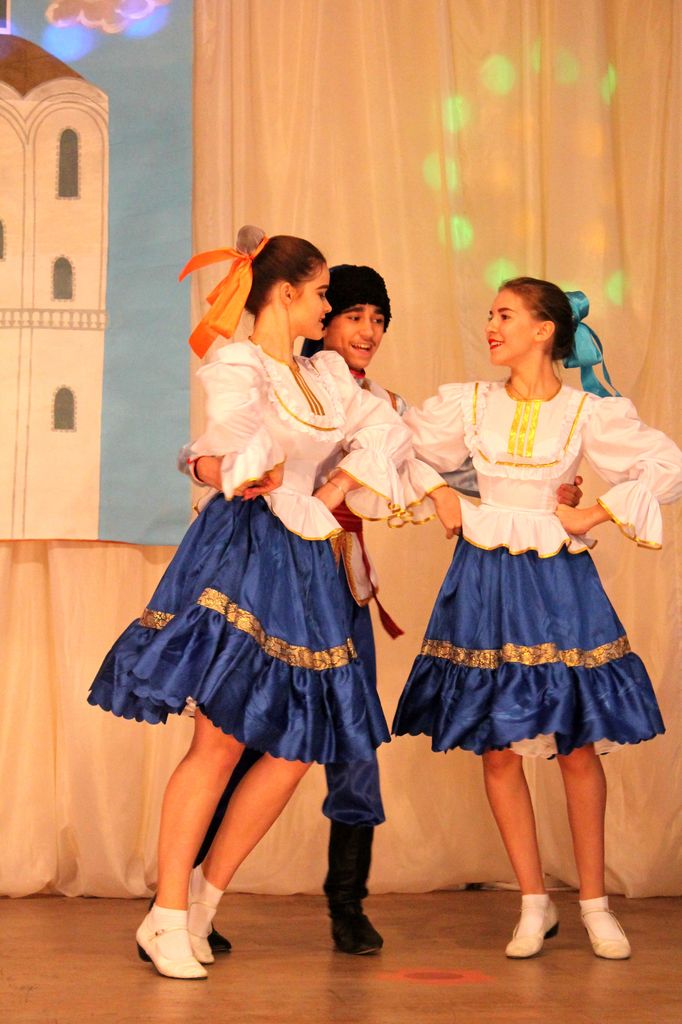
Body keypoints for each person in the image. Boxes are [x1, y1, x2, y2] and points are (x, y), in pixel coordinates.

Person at [183, 265, 583, 957]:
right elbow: (212, 450)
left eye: (379, 318)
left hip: (340, 583)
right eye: (352, 315)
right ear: (321, 321)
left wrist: (554, 490)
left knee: (352, 740)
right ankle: (184, 897)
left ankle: (346, 903)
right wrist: (204, 469)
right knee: (235, 735)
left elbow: (462, 465)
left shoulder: (384, 404)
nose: (368, 331)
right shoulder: (286, 382)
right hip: (266, 574)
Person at [87, 227, 449, 980]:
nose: (328, 308)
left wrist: (335, 484)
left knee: (293, 748)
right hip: (247, 549)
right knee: (220, 741)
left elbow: (386, 432)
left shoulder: (328, 376)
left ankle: (202, 904)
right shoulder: (239, 364)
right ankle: (168, 912)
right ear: (285, 294)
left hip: (308, 560)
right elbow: (232, 439)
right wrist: (232, 464)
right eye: (321, 294)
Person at [393, 277, 682, 960]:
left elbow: (666, 464)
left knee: (575, 744)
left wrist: (593, 511)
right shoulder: (470, 402)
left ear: (544, 329)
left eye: (505, 315)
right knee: (498, 746)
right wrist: (441, 494)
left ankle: (594, 904)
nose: (491, 327)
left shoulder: (585, 412)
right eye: (490, 315)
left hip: (557, 582)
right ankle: (532, 901)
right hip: (484, 581)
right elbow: (395, 446)